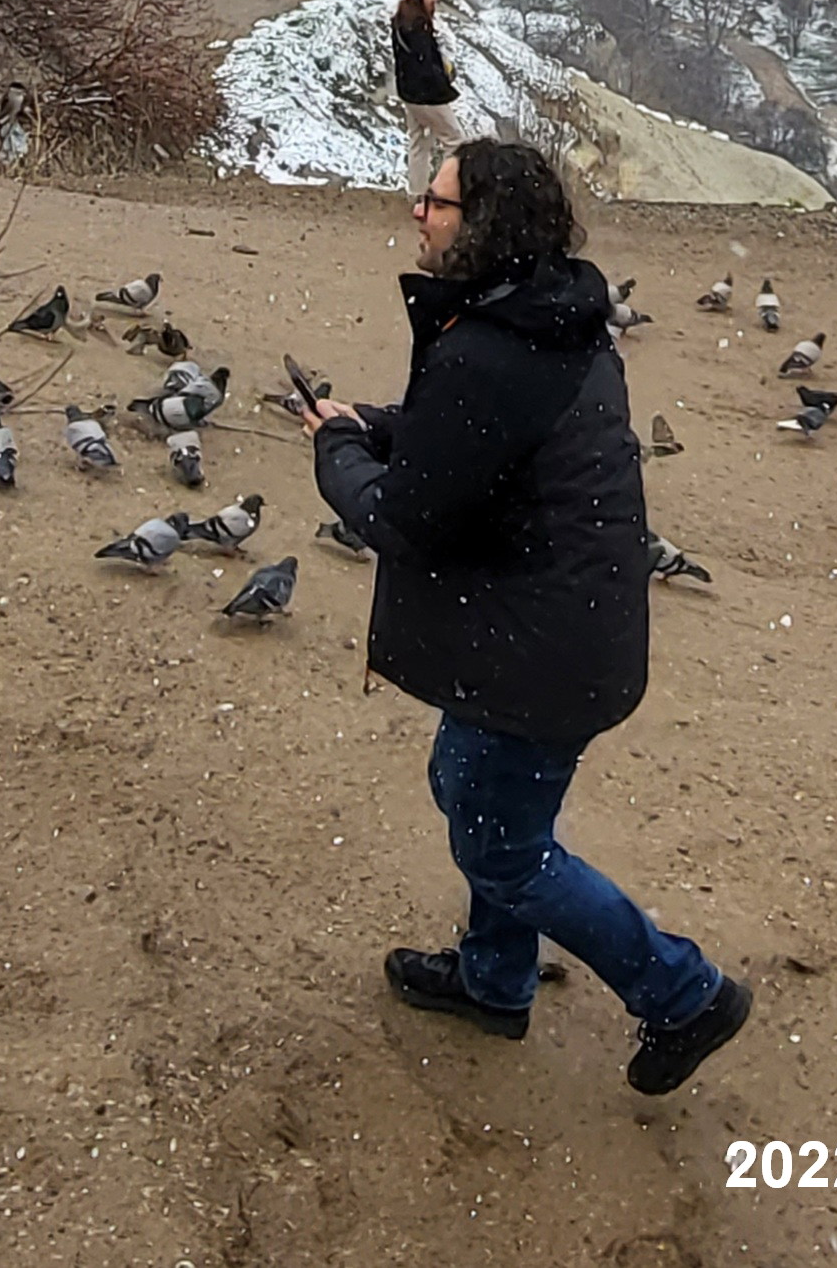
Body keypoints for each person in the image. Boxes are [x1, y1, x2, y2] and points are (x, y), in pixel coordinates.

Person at [308, 137, 752, 1094]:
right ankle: (494, 980)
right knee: (472, 792)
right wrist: (376, 425)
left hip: (537, 654)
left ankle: (685, 993)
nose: (416, 213)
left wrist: (333, 453)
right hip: (561, 629)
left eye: (434, 202)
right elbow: (478, 445)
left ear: (483, 225)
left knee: (501, 847)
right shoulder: (553, 316)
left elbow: (402, 519)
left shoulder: (490, 350)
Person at [391, 0, 464, 199]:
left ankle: (417, 193)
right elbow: (425, 65)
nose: (435, 1)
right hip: (427, 95)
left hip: (408, 92)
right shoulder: (419, 25)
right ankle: (445, 192)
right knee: (455, 141)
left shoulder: (400, 21)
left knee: (418, 142)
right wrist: (443, 83)